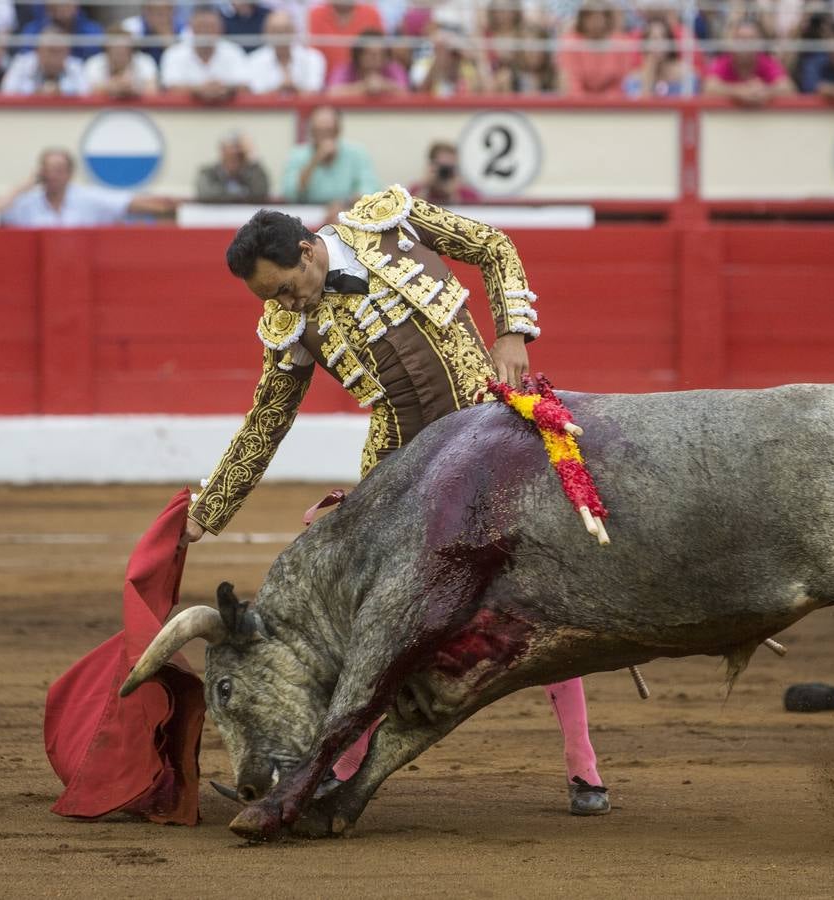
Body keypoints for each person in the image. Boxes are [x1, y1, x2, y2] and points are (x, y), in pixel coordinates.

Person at [180, 189, 611, 816]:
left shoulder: (386, 222)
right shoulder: (291, 327)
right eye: (271, 298)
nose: (286, 303)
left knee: (534, 594)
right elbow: (267, 421)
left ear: (308, 248)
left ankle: (584, 768)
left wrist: (513, 331)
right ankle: (341, 765)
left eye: (287, 287)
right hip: (399, 470)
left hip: (489, 427)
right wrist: (207, 510)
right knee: (381, 614)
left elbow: (492, 246)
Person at [0, 147, 176, 227]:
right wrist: (26, 185)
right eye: (48, 170)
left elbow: (127, 203)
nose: (53, 176)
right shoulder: (28, 202)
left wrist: (165, 206)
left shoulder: (86, 198)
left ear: (69, 174)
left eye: (58, 170)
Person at [280, 105, 379, 205]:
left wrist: (344, 203)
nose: (323, 136)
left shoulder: (357, 153)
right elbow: (290, 193)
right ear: (311, 131)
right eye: (318, 131)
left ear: (338, 130)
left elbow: (369, 189)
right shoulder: (298, 154)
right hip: (308, 211)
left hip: (347, 211)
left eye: (329, 131)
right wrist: (314, 161)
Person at [159, 4, 248, 102]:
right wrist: (199, 90)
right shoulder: (174, 53)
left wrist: (226, 89)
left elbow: (244, 86)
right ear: (191, 27)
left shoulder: (234, 51)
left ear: (221, 28)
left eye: (211, 26)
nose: (206, 32)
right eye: (201, 26)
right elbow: (169, 88)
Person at [704, 20, 795, 107]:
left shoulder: (766, 62)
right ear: (732, 42)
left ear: (759, 43)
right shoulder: (723, 62)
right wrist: (739, 92)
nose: (745, 44)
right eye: (741, 39)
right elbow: (708, 89)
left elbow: (788, 89)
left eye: (751, 39)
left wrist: (765, 92)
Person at [557, 0, 637, 97]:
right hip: (578, 105)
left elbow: (622, 81)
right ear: (582, 19)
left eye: (600, 16)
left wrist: (605, 102)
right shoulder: (570, 43)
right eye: (589, 17)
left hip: (614, 104)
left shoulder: (621, 43)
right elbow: (571, 81)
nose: (595, 21)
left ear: (607, 19)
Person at [246, 9, 325, 94]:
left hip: (303, 107)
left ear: (294, 31)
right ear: (266, 32)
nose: (281, 36)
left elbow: (315, 92)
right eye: (275, 31)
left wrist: (294, 89)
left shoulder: (313, 58)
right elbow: (255, 94)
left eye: (285, 30)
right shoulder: (254, 60)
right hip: (268, 107)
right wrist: (279, 90)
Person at [410, 21, 494, 97]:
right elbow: (421, 93)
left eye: (453, 53)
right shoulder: (422, 65)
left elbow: (489, 92)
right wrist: (438, 60)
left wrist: (477, 59)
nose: (450, 57)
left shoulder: (467, 67)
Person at [0, 27, 88, 95]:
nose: (54, 57)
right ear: (38, 51)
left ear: (67, 52)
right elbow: (6, 92)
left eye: (60, 51)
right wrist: (35, 94)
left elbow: (86, 94)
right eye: (51, 50)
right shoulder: (21, 64)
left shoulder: (76, 66)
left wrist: (62, 92)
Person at [307, 0, 383, 76]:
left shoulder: (371, 14)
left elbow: (383, 53)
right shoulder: (315, 15)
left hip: (364, 81)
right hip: (322, 82)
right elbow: (310, 55)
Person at [624, 16, 694, 97]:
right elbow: (640, 106)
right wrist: (649, 74)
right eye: (654, 38)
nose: (659, 43)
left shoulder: (685, 73)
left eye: (664, 37)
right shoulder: (633, 79)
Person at [326, 29, 408, 96]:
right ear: (358, 55)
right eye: (370, 54)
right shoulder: (345, 68)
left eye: (381, 54)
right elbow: (331, 93)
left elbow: (406, 93)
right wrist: (363, 87)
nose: (376, 59)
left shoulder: (394, 68)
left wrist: (385, 86)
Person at [84, 25, 158, 98]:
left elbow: (152, 91)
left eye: (124, 48)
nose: (120, 53)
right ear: (107, 49)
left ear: (131, 49)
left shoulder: (145, 61)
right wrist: (112, 87)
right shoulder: (94, 63)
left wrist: (134, 90)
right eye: (116, 49)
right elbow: (88, 92)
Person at [196, 132, 270, 203]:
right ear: (222, 152)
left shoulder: (253, 171)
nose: (234, 154)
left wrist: (251, 161)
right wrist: (241, 194)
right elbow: (206, 193)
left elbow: (260, 192)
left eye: (238, 154)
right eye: (230, 151)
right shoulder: (208, 172)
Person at [17, 1, 103, 60]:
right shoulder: (32, 30)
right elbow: (26, 61)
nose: (64, 3)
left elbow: (96, 62)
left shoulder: (92, 31)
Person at [408, 140, 481, 205]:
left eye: (449, 168)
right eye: (442, 167)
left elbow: (467, 215)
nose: (445, 172)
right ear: (431, 166)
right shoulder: (415, 191)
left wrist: (453, 193)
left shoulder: (468, 195)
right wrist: (426, 186)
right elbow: (411, 211)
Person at [121, 0, 176, 64]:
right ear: (146, 12)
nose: (163, 18)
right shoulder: (131, 26)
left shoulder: (181, 29)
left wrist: (170, 46)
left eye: (167, 11)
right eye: (158, 12)